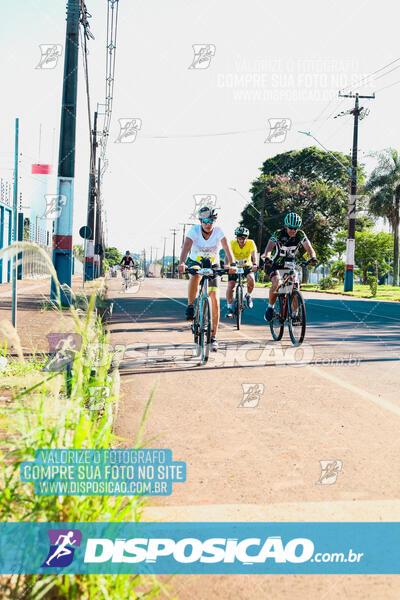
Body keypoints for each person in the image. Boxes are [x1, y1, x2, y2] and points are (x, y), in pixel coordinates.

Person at [178, 206, 236, 352]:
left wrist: (232, 264)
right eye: (205, 220)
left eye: (211, 220)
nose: (208, 224)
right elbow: (186, 247)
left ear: (214, 221)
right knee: (196, 274)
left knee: (215, 299)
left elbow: (227, 248)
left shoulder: (219, 231)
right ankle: (191, 306)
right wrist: (182, 263)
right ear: (200, 220)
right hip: (195, 261)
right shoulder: (194, 231)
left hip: (213, 264)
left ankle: (213, 337)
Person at [263, 213, 317, 321]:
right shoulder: (278, 233)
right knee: (277, 282)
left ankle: (294, 314)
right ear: (285, 226)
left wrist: (313, 257)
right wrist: (267, 257)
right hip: (275, 264)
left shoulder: (300, 235)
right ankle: (270, 307)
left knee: (295, 286)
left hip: (290, 264)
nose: (293, 231)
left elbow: (308, 247)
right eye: (291, 228)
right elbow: (269, 248)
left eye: (295, 229)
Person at [225, 226, 258, 318]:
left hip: (246, 266)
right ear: (236, 238)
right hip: (234, 266)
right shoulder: (232, 243)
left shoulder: (251, 243)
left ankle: (248, 295)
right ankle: (229, 308)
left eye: (243, 238)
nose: (241, 240)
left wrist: (255, 264)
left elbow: (254, 254)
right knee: (231, 285)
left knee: (251, 279)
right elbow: (227, 255)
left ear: (246, 237)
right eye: (239, 238)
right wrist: (226, 265)